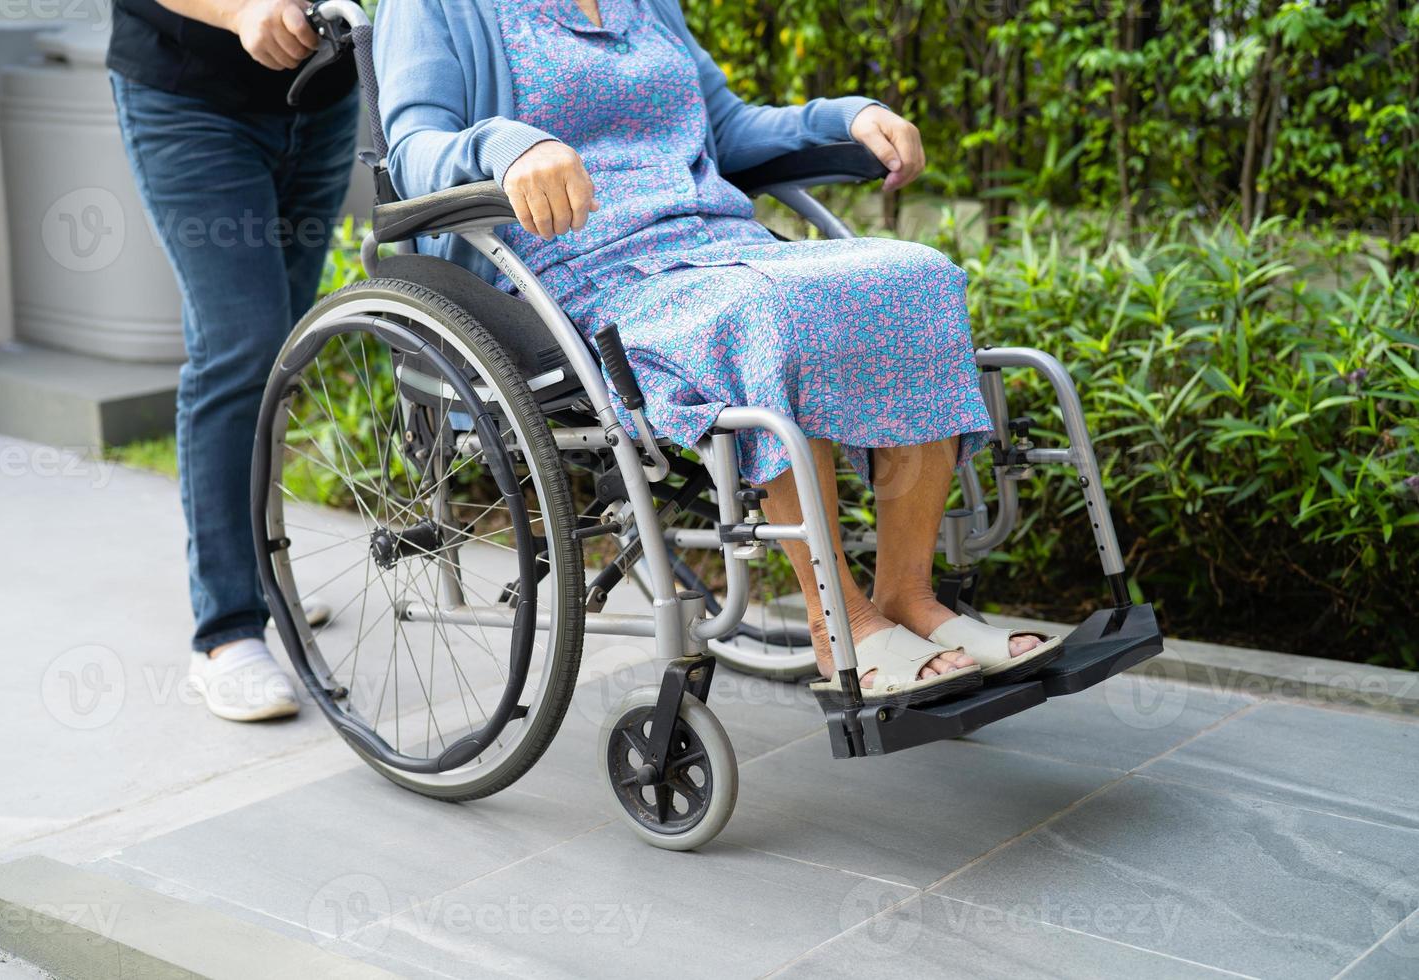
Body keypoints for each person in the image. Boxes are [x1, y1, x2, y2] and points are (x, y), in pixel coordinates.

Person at [376, 0, 1064, 705]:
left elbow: (725, 127)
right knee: (760, 317)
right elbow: (411, 152)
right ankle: (842, 626)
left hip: (718, 246)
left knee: (917, 276)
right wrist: (506, 145)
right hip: (579, 275)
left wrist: (845, 118)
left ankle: (909, 596)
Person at [107, 0, 358, 720]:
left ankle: (258, 578)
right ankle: (226, 633)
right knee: (240, 348)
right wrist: (240, 8)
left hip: (322, 97)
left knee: (277, 354)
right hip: (192, 103)